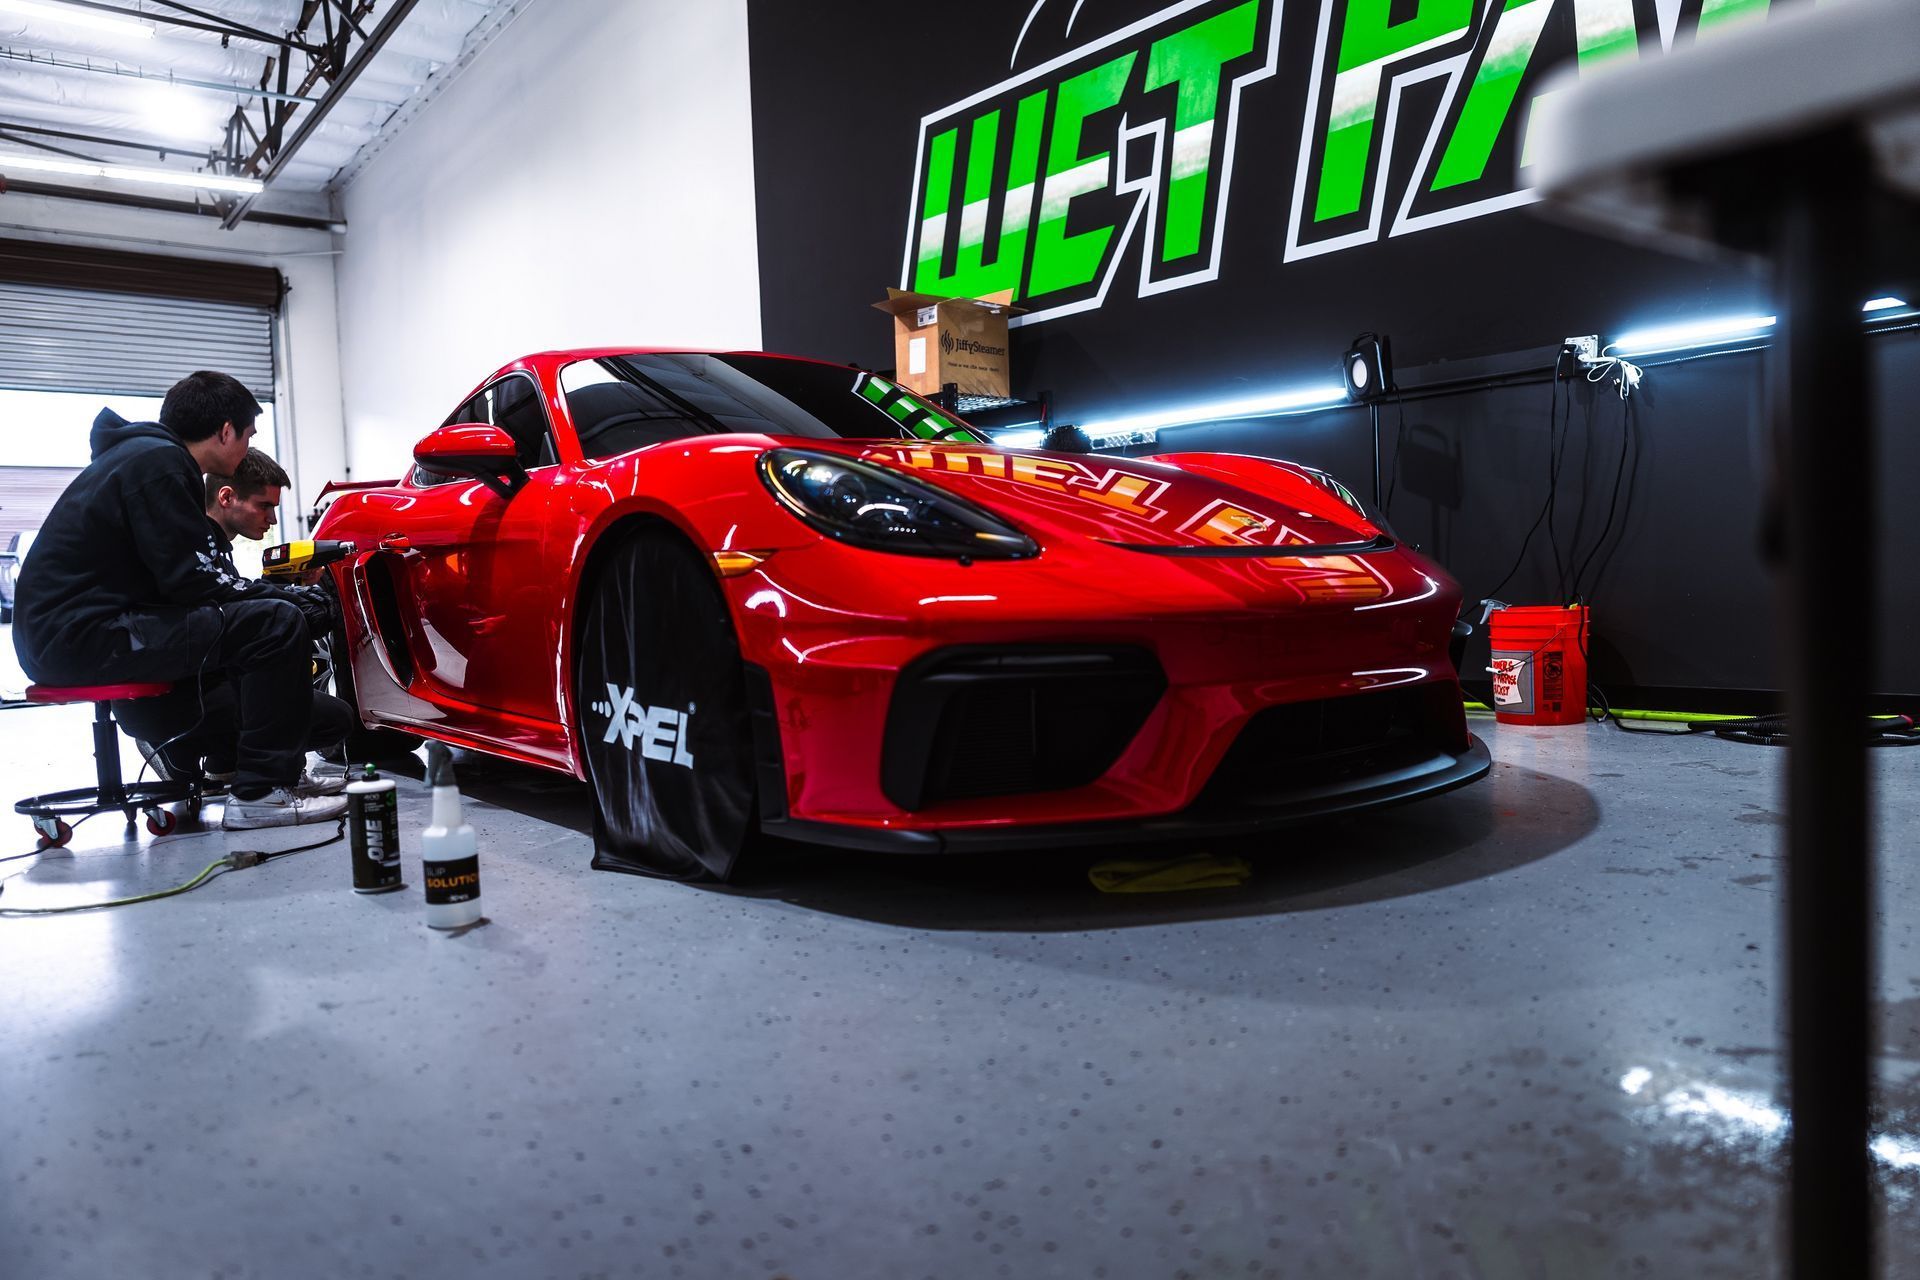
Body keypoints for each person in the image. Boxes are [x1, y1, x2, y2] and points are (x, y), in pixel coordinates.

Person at [11, 371, 348, 829]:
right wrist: (292, 600)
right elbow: (193, 581)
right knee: (274, 622)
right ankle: (260, 793)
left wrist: (274, 595)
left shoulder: (142, 458)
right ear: (225, 430)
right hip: (85, 639)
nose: (247, 447)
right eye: (247, 435)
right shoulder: (160, 463)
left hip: (71, 637)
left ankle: (270, 776)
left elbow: (186, 580)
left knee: (268, 618)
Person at [118, 447, 356, 795]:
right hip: (170, 697)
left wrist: (277, 588)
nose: (272, 520)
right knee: (329, 717)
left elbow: (228, 606)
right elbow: (221, 617)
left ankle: (222, 765)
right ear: (226, 497)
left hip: (180, 690)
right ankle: (200, 759)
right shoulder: (190, 549)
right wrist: (316, 602)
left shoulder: (210, 549)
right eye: (264, 506)